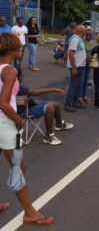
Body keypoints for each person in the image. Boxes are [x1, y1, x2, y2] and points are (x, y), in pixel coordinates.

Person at [0, 32, 54, 225]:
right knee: (19, 167)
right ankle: (30, 213)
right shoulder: (10, 71)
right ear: (13, 49)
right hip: (6, 124)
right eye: (19, 45)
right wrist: (19, 120)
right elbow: (4, 103)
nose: (22, 47)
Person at [16, 68, 73, 146]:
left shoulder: (12, 85)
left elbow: (29, 98)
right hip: (21, 112)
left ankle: (59, 125)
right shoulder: (16, 85)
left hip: (27, 106)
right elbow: (32, 92)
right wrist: (51, 89)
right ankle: (49, 136)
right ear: (20, 77)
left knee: (54, 104)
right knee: (49, 108)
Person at [64, 25, 86, 112]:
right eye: (84, 30)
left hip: (79, 65)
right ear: (80, 31)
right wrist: (74, 67)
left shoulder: (78, 39)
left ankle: (75, 101)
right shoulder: (75, 39)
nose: (85, 32)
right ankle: (68, 104)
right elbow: (71, 53)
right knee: (73, 85)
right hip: (76, 66)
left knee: (77, 84)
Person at [79, 28, 96, 104]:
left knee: (86, 80)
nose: (88, 35)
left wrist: (94, 62)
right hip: (82, 63)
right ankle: (79, 97)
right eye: (87, 34)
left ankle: (84, 95)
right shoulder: (82, 42)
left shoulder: (94, 42)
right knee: (81, 80)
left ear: (92, 35)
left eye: (90, 34)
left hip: (89, 64)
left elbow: (96, 53)